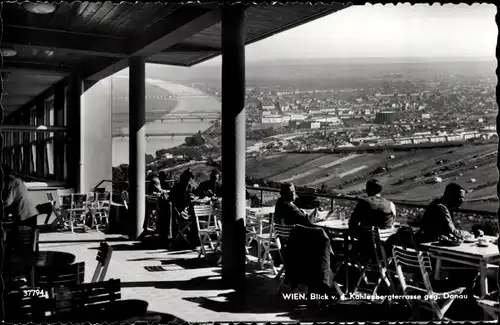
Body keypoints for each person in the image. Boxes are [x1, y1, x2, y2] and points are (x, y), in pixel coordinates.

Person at [2, 164, 38, 228]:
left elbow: (8, 201)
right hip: (29, 212)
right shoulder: (15, 180)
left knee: (21, 235)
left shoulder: (11, 181)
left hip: (24, 214)